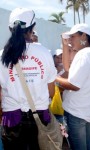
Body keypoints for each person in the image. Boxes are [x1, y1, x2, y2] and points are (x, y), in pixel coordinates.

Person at [0, 8, 57, 150]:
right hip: (40, 118)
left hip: (11, 118)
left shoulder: (2, 56)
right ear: (32, 29)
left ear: (10, 28)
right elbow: (51, 92)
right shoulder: (45, 53)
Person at [56, 23, 90, 150]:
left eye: (73, 37)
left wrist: (54, 78)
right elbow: (68, 69)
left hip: (76, 112)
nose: (70, 40)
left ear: (84, 36)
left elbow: (74, 85)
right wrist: (65, 46)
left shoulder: (84, 54)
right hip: (86, 112)